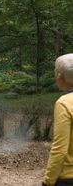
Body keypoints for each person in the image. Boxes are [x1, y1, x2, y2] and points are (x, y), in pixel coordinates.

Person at [43, 53, 73, 186]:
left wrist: (48, 181)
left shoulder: (64, 103)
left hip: (68, 177)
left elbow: (60, 149)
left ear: (60, 76)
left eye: (55, 71)